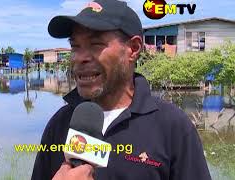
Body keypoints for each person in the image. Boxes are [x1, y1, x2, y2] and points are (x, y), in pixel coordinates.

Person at [31, 0, 211, 179]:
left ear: (133, 49)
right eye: (75, 46)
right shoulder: (60, 122)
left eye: (96, 44)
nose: (80, 57)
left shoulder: (172, 126)